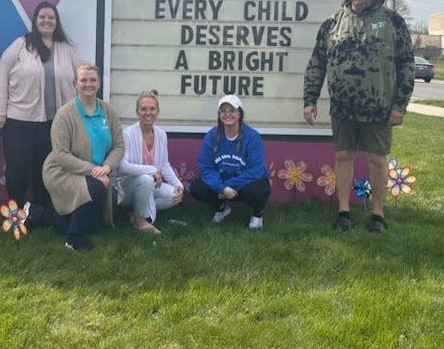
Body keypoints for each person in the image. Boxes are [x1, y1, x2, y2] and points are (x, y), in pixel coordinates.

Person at [303, 0, 414, 233]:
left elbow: (407, 64)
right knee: (343, 156)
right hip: (342, 107)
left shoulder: (392, 21)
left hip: (379, 107)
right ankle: (343, 211)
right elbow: (317, 63)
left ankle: (377, 214)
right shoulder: (333, 23)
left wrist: (400, 105)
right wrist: (310, 99)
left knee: (377, 159)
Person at [0, 1, 81, 206]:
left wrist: (81, 112)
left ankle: (41, 212)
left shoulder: (66, 49)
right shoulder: (20, 44)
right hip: (19, 121)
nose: (46, 21)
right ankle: (15, 212)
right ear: (35, 20)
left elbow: (83, 78)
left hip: (54, 124)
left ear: (56, 22)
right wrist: (0, 111)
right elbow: (2, 74)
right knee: (18, 168)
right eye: (42, 17)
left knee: (46, 168)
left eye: (51, 17)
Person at [31, 63, 124, 251]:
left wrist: (106, 167)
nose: (88, 84)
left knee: (93, 226)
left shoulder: (108, 112)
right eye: (83, 80)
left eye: (92, 80)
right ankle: (74, 240)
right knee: (96, 189)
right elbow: (61, 154)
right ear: (75, 84)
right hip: (61, 170)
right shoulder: (64, 114)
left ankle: (41, 214)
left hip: (97, 172)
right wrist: (94, 171)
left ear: (99, 84)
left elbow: (119, 146)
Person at [190, 95, 271, 229]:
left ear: (240, 113)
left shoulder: (252, 136)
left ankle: (257, 214)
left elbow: (255, 170)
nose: (227, 114)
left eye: (232, 110)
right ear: (219, 114)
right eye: (223, 111)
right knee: (197, 187)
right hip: (222, 185)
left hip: (244, 186)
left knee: (259, 189)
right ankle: (222, 208)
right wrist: (221, 187)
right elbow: (206, 167)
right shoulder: (212, 136)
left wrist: (227, 186)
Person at [114, 90, 184, 234]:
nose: (148, 112)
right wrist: (152, 170)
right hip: (126, 188)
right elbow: (122, 167)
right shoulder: (128, 134)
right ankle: (141, 221)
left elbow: (164, 165)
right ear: (137, 112)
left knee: (173, 196)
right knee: (146, 178)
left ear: (157, 111)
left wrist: (178, 184)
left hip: (150, 185)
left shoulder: (161, 134)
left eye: (152, 109)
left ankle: (135, 213)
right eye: (143, 109)